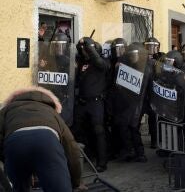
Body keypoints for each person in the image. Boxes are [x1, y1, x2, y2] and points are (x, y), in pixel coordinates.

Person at [0, 86, 81, 192]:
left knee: (19, 188)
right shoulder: (50, 111)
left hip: (14, 144)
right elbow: (71, 148)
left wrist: (9, 160)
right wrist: (76, 183)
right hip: (47, 142)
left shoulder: (6, 110)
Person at [73, 37, 109, 172]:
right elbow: (78, 51)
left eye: (88, 50)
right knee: (79, 130)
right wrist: (81, 45)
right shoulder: (83, 62)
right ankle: (88, 155)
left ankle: (102, 162)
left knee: (98, 132)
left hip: (96, 103)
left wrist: (88, 43)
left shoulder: (102, 63)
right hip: (82, 103)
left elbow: (98, 61)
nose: (85, 52)